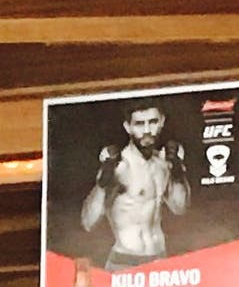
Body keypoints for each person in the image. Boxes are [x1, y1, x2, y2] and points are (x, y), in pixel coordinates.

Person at [80, 101, 188, 266]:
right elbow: (88, 222)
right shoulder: (120, 166)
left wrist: (178, 172)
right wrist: (103, 183)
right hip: (125, 262)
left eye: (152, 122)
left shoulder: (163, 164)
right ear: (127, 127)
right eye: (139, 124)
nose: (146, 130)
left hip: (159, 259)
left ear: (162, 122)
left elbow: (179, 208)